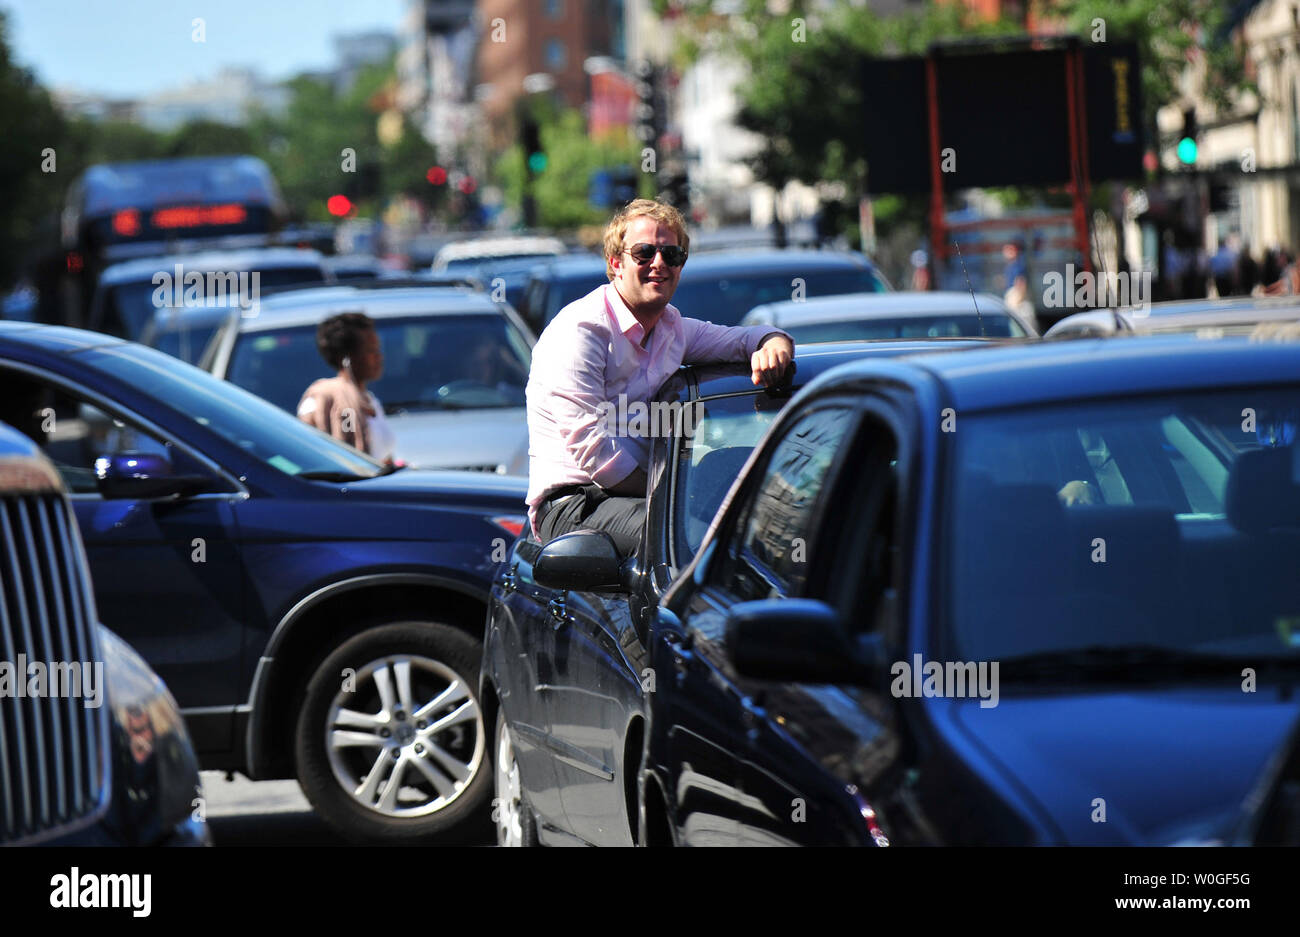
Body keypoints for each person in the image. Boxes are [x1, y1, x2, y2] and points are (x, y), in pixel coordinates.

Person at [527, 198, 794, 556]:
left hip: (643, 493)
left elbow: (743, 340)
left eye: (672, 255)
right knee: (683, 543)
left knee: (738, 480)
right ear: (615, 263)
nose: (659, 263)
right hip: (574, 504)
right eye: (644, 252)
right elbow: (593, 450)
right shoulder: (581, 330)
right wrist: (674, 495)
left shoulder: (672, 327)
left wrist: (772, 343)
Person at [297, 312, 396, 464]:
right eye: (370, 350)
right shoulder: (324, 397)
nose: (379, 356)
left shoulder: (370, 400)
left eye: (378, 349)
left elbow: (381, 457)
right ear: (346, 357)